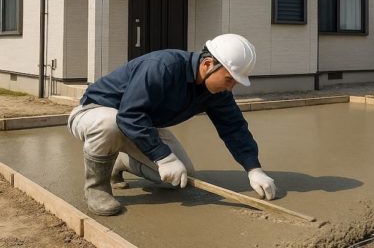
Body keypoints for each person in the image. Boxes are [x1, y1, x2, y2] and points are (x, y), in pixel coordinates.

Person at [67, 33, 277, 216]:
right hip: (94, 112)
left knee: (182, 176)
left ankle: (122, 162)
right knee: (110, 123)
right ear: (207, 65)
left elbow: (234, 127)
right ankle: (97, 188)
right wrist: (163, 157)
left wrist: (253, 169)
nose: (230, 88)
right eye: (229, 79)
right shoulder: (163, 67)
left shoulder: (216, 92)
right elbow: (129, 114)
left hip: (140, 124)